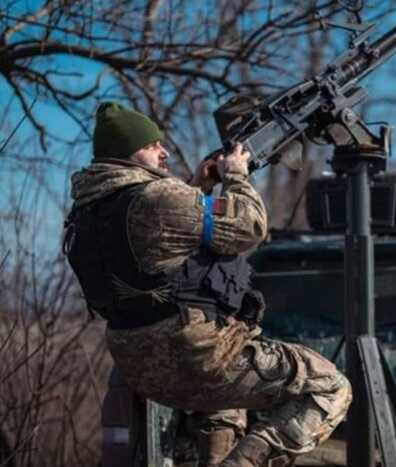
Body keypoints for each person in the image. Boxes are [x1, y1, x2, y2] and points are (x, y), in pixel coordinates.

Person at [64, 102, 351, 467]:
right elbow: (249, 228)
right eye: (153, 144)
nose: (163, 151)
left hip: (138, 367)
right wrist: (236, 176)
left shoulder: (87, 213)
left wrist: (199, 187)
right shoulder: (159, 196)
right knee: (330, 387)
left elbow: (155, 243)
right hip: (198, 356)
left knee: (226, 405)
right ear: (128, 152)